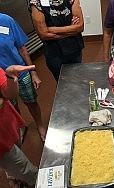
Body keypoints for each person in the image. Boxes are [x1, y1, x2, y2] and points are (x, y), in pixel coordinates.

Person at [0, 13, 47, 142]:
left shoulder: (6, 20)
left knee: (31, 101)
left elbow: (22, 48)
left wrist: (33, 72)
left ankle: (40, 125)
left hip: (20, 72)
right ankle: (20, 127)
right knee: (11, 106)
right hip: (1, 79)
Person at [0, 65, 38, 188]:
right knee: (28, 171)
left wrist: (10, 77)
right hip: (1, 142)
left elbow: (9, 95)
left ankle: (14, 179)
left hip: (8, 124)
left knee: (17, 153)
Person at [29, 0, 85, 82]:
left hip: (74, 48)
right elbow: (43, 34)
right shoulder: (36, 2)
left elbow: (80, 27)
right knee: (62, 83)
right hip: (54, 52)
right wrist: (71, 30)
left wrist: (51, 29)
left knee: (77, 79)